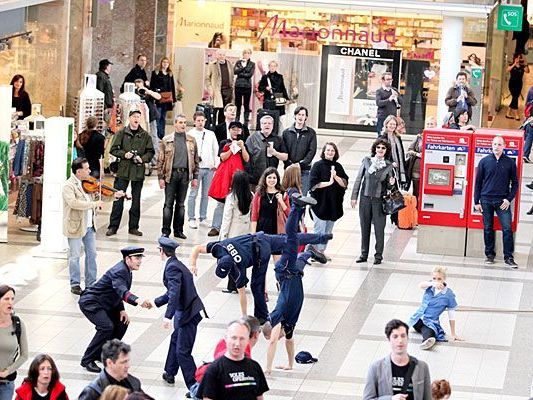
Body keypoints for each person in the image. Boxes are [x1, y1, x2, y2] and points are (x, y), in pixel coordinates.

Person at [189, 206, 329, 324]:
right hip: (260, 237)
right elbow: (196, 249)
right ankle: (320, 236)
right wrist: (192, 264)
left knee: (257, 285)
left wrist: (244, 318)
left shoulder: (237, 268)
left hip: (261, 253)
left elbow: (242, 294)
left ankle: (261, 316)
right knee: (288, 239)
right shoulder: (219, 246)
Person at [264, 194, 325, 375]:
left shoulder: (280, 317)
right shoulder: (289, 325)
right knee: (298, 263)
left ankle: (297, 209)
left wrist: (267, 368)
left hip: (285, 275)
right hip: (293, 279)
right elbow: (289, 343)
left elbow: (274, 340)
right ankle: (307, 252)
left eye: (275, 334)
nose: (278, 336)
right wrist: (290, 364)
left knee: (292, 243)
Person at [78, 247, 153, 373]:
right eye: (136, 258)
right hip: (91, 303)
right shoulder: (119, 271)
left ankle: (104, 354)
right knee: (106, 327)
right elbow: (122, 291)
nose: (139, 261)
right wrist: (139, 301)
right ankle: (87, 359)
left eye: (140, 258)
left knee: (121, 323)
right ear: (127, 258)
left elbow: (116, 292)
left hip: (106, 303)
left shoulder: (127, 270)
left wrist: (121, 310)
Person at [154, 237, 207, 388]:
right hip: (187, 311)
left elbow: (174, 293)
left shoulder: (172, 267)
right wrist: (155, 302)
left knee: (183, 351)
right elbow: (172, 292)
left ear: (161, 251)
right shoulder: (175, 264)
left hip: (188, 314)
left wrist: (167, 316)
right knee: (175, 340)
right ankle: (170, 372)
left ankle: (195, 386)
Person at [63, 158, 108, 295]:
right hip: (75, 225)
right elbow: (74, 203)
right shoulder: (68, 186)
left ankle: (91, 283)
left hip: (89, 225)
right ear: (78, 171)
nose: (89, 171)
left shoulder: (87, 184)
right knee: (75, 255)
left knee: (92, 254)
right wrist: (93, 204)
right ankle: (75, 283)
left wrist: (115, 195)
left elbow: (99, 196)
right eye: (86, 169)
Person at [106, 110, 155, 237]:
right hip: (123, 170)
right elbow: (113, 150)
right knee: (118, 198)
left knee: (136, 200)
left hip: (138, 171)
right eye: (134, 116)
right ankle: (113, 226)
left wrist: (142, 159)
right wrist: (124, 154)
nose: (136, 119)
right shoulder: (121, 133)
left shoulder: (145, 135)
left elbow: (150, 152)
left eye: (138, 116)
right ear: (129, 118)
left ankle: (133, 227)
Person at [474, 135, 519, 267]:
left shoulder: (510, 163)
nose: (496, 147)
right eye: (494, 144)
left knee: (507, 229)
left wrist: (509, 199)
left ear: (504, 146)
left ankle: (509, 257)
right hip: (486, 200)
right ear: (491, 145)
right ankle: (489, 255)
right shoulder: (484, 161)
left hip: (502, 202)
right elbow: (477, 183)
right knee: (488, 228)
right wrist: (476, 201)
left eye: (499, 144)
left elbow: (515, 183)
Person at [196, 319, 269, 400]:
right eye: (234, 338)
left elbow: (259, 396)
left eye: (242, 338)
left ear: (247, 340)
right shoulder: (214, 369)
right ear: (226, 339)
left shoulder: (255, 367)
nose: (237, 343)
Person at [362, 319, 432, 400]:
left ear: (407, 338)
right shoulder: (376, 368)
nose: (400, 340)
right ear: (389, 339)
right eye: (395, 336)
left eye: (403, 336)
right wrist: (390, 399)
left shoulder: (422, 367)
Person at [351, 139, 395, 265]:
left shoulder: (388, 166)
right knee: (364, 227)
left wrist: (391, 184)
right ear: (374, 149)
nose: (380, 150)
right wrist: (354, 197)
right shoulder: (366, 161)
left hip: (379, 201)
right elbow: (359, 179)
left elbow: (389, 187)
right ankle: (364, 254)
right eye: (378, 147)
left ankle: (378, 256)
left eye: (383, 148)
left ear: (386, 151)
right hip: (365, 199)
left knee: (379, 229)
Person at [157, 114, 200, 239]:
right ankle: (165, 231)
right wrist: (160, 177)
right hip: (171, 174)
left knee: (181, 204)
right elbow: (160, 160)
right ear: (175, 124)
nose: (183, 125)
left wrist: (195, 177)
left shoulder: (191, 140)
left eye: (185, 123)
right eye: (180, 122)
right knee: (168, 203)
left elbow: (196, 159)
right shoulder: (167, 140)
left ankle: (178, 230)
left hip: (185, 175)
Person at [209, 121, 250, 238]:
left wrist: (242, 147)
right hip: (225, 176)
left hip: (237, 177)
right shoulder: (224, 142)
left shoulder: (244, 144)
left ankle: (233, 226)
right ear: (229, 130)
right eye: (233, 129)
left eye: (238, 129)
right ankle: (216, 226)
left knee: (235, 201)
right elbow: (222, 157)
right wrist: (233, 147)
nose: (236, 131)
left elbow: (247, 159)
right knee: (220, 203)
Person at [308, 142, 348, 261]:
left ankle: (321, 251)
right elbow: (313, 184)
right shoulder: (317, 166)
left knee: (327, 231)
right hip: (320, 203)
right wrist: (329, 183)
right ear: (324, 152)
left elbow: (344, 183)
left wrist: (335, 177)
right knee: (319, 229)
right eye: (328, 150)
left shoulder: (338, 166)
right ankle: (314, 252)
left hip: (333, 204)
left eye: (332, 151)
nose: (330, 152)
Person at [409, 266, 462, 351]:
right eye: (434, 278)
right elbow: (420, 285)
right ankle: (420, 329)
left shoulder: (448, 295)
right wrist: (432, 283)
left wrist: (453, 333)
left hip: (431, 321)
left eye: (439, 279)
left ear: (444, 279)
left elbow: (451, 315)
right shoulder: (430, 285)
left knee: (429, 331)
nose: (436, 281)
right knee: (412, 322)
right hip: (418, 317)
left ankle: (427, 341)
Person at [219, 171, 253, 293]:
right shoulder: (251, 195)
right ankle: (242, 282)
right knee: (242, 259)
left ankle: (232, 285)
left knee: (232, 260)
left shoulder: (232, 197)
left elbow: (227, 218)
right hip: (246, 232)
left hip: (233, 232)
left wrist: (223, 236)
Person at [78, 340, 144, 400]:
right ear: (109, 363)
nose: (128, 366)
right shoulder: (93, 392)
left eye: (127, 361)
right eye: (123, 362)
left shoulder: (133, 383)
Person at [187, 111, 219, 229]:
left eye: (202, 120)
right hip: (196, 169)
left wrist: (215, 163)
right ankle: (191, 218)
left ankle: (203, 217)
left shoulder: (210, 134)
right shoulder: (190, 134)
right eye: (198, 120)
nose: (200, 123)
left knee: (206, 194)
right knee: (193, 193)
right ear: (194, 121)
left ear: (205, 121)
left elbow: (215, 150)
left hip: (209, 168)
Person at [0, 285, 28, 400]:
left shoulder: (18, 323)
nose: (10, 302)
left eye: (12, 299)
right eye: (6, 299)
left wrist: (8, 371)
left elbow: (24, 355)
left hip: (6, 385)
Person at [282, 106, 317, 195]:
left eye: (303, 115)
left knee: (302, 197)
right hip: (289, 170)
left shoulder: (311, 133)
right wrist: (290, 164)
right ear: (295, 116)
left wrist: (300, 164)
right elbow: (283, 150)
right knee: (288, 197)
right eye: (299, 114)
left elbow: (312, 151)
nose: (300, 117)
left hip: (304, 171)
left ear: (306, 117)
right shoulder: (286, 132)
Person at [245, 115, 288, 188]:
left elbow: (285, 157)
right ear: (260, 125)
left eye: (269, 123)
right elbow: (246, 158)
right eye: (264, 123)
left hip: (271, 180)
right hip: (255, 179)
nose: (267, 125)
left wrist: (275, 153)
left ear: (273, 125)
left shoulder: (278, 139)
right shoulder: (252, 138)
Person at [251, 167, 290, 238]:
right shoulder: (259, 194)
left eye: (274, 178)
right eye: (269, 177)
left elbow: (289, 214)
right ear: (265, 179)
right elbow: (254, 215)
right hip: (261, 229)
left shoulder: (283, 193)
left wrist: (281, 201)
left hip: (277, 229)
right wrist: (253, 234)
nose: (272, 180)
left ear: (277, 179)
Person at [406, 117, 436, 201]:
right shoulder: (419, 137)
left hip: (432, 170)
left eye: (432, 124)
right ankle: (415, 211)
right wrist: (418, 154)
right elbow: (409, 150)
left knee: (429, 193)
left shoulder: (438, 138)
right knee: (416, 192)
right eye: (428, 124)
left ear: (436, 126)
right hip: (417, 168)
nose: (430, 126)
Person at [134, 78, 161, 169]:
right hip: (140, 119)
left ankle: (155, 161)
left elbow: (158, 97)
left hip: (151, 118)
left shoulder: (148, 93)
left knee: (153, 138)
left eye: (141, 86)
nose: (140, 89)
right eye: (137, 87)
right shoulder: (134, 94)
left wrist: (147, 91)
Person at [205, 49, 234, 125]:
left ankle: (221, 128)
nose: (221, 56)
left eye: (223, 54)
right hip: (217, 91)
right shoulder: (212, 65)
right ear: (216, 55)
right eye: (220, 54)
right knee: (215, 111)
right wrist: (210, 90)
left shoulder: (229, 64)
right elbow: (207, 79)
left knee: (224, 111)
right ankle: (213, 128)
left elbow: (232, 77)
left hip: (228, 91)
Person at [150, 57, 176, 139]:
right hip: (158, 98)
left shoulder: (170, 74)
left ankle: (162, 135)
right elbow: (152, 85)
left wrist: (174, 99)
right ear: (161, 63)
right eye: (164, 62)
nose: (165, 64)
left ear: (169, 64)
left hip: (166, 99)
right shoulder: (156, 72)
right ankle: (157, 134)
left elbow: (172, 87)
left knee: (163, 117)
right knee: (158, 115)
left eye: (167, 63)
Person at [379, 115, 407, 188]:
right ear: (386, 124)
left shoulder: (397, 137)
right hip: (386, 167)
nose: (392, 126)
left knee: (395, 189)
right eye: (390, 124)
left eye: (394, 124)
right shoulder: (382, 137)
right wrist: (390, 163)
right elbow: (378, 154)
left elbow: (401, 153)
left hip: (398, 167)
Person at [234, 49, 256, 125]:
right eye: (245, 53)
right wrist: (243, 68)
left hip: (247, 86)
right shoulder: (238, 62)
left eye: (248, 53)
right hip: (238, 86)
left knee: (246, 104)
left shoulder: (252, 64)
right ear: (243, 54)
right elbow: (235, 72)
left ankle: (246, 122)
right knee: (238, 104)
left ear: (250, 54)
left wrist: (241, 73)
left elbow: (250, 74)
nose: (246, 54)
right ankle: (236, 120)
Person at [506, 53, 529, 120]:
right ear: (514, 58)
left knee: (514, 98)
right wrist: (514, 64)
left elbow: (527, 71)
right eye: (517, 58)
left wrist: (525, 63)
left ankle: (508, 113)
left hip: (519, 84)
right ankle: (516, 115)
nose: (518, 59)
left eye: (519, 58)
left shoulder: (522, 66)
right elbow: (508, 70)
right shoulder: (511, 65)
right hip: (512, 84)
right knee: (515, 97)